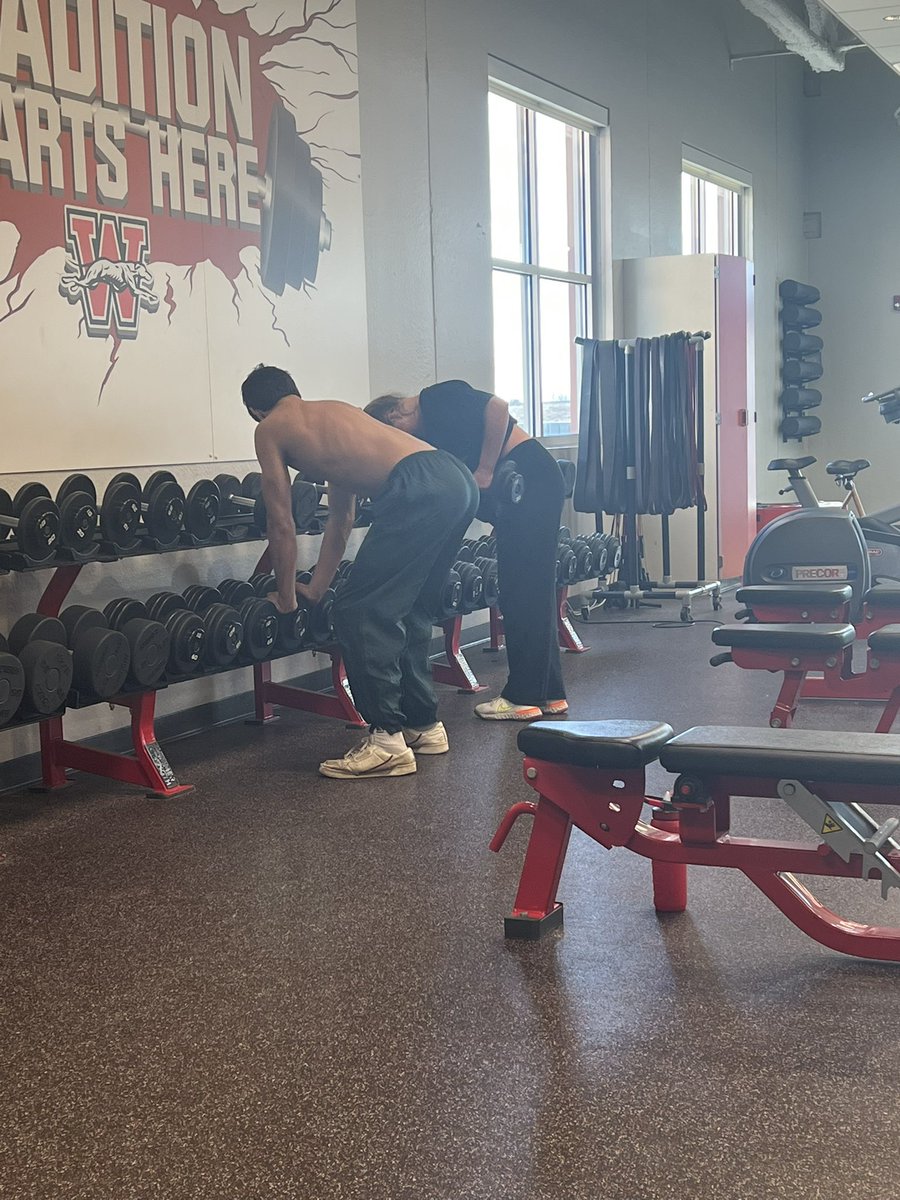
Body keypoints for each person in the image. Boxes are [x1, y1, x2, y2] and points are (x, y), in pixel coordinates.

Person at [243, 365, 479, 779]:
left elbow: (281, 524)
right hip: (453, 477)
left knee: (359, 612)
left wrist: (285, 596)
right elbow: (341, 519)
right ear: (295, 392)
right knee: (408, 608)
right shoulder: (335, 414)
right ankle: (422, 726)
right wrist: (316, 588)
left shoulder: (270, 429)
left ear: (255, 410)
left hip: (418, 486)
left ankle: (386, 740)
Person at [365, 380, 567, 720]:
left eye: (391, 432)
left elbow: (498, 407)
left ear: (394, 414)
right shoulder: (434, 426)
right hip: (534, 477)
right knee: (533, 587)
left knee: (521, 590)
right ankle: (549, 693)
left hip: (527, 476)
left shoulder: (434, 398)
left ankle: (523, 697)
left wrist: (486, 469)